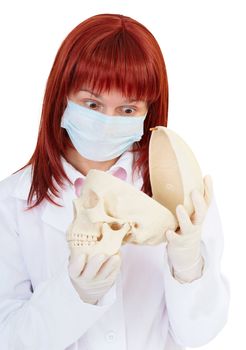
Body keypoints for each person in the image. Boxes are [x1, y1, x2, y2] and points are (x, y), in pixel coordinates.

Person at [0, 13, 230, 350]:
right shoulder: (12, 203)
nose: (106, 122)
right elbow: (9, 338)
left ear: (148, 111)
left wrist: (189, 267)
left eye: (127, 110)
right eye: (91, 103)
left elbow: (199, 333)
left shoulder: (180, 190)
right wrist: (75, 293)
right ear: (62, 96)